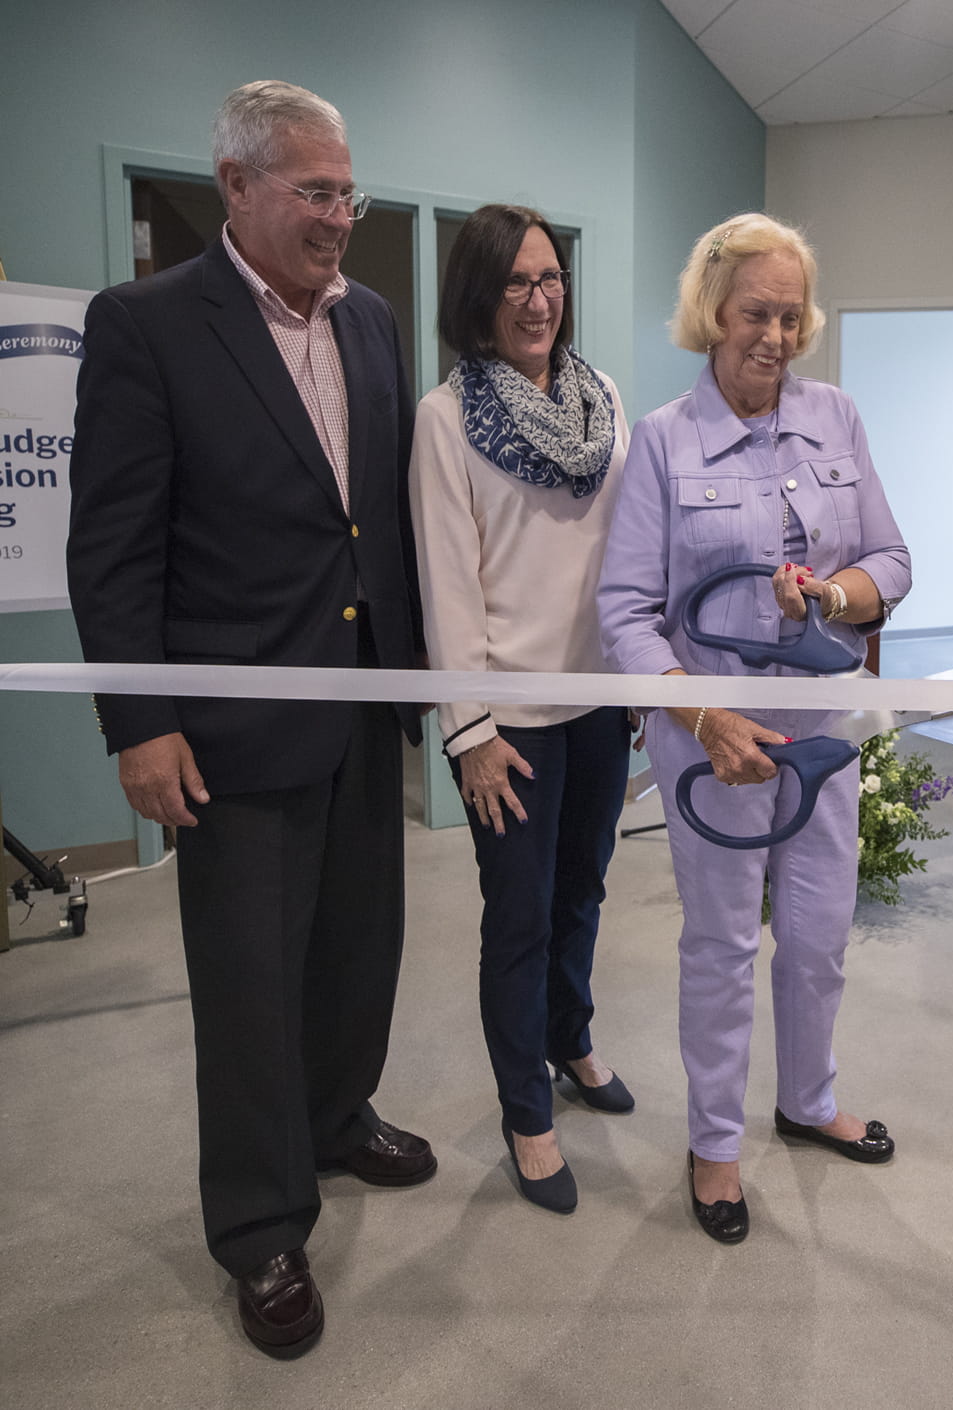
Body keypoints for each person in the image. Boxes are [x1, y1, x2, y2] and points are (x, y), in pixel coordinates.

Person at [64, 81, 434, 1357]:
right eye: (315, 193)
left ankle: (336, 1120)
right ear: (236, 185)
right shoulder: (149, 325)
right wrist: (138, 720)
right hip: (227, 728)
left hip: (360, 705)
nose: (340, 217)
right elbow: (111, 548)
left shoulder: (375, 322)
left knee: (354, 953)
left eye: (349, 193)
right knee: (247, 988)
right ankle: (262, 1226)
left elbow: (375, 520)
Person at [597, 213, 912, 1244]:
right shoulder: (661, 439)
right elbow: (625, 612)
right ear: (711, 315)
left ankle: (809, 1100)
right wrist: (701, 715)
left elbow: (891, 566)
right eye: (752, 314)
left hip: (819, 726)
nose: (772, 337)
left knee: (818, 934)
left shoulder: (839, 418)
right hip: (711, 735)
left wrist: (830, 598)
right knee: (724, 944)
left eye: (788, 316)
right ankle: (715, 1142)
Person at [410, 205, 635, 1216]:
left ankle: (569, 1037)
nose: (538, 300)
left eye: (549, 279)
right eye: (515, 284)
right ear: (478, 299)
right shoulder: (446, 419)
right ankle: (524, 1112)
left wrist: (634, 682)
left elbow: (627, 555)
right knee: (519, 918)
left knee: (583, 891)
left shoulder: (604, 401)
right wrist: (470, 731)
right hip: (510, 721)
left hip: (596, 704)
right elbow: (446, 585)